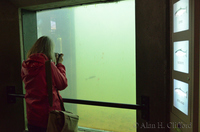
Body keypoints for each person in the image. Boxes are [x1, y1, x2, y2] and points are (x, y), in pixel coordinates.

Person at [21, 36, 68, 132]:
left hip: (32, 116)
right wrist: (59, 64)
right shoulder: (48, 65)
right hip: (48, 117)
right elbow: (62, 84)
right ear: (49, 50)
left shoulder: (25, 65)